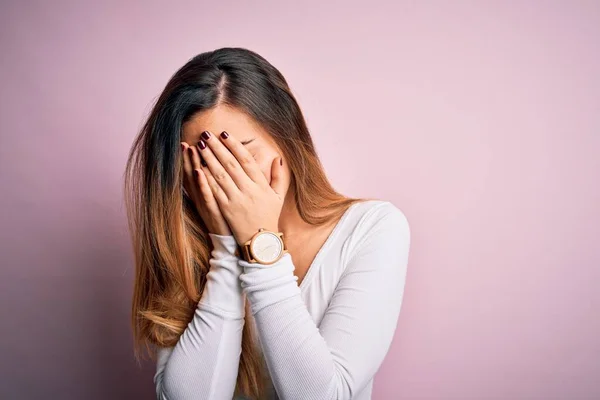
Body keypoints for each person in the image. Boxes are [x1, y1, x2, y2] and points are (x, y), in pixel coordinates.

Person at [124, 47, 411, 400]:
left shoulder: (373, 229)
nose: (225, 179)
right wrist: (226, 249)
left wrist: (261, 246)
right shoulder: (188, 245)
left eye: (240, 152)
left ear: (287, 137)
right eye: (205, 163)